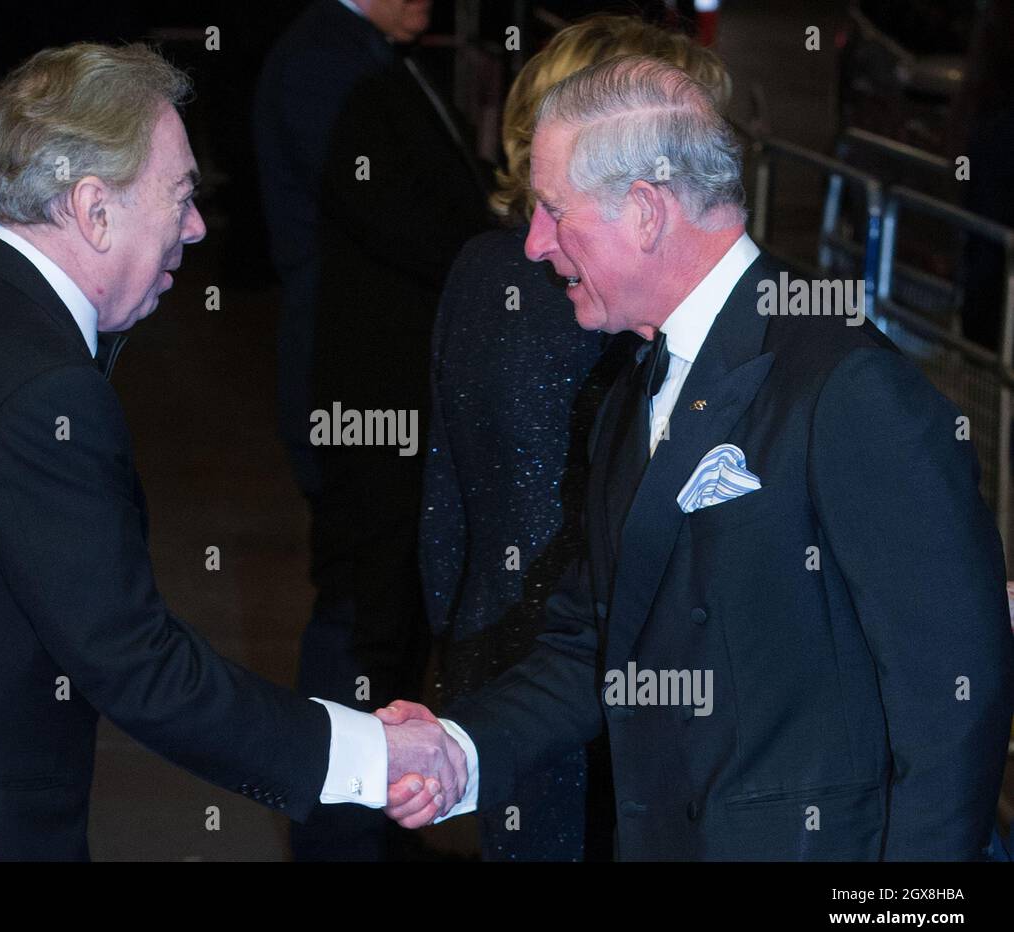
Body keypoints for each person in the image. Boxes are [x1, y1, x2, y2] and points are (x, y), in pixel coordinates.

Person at [0, 42, 463, 861]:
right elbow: (138, 665)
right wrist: (372, 755)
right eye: (180, 195)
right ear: (93, 208)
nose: (199, 224)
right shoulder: (44, 392)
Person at [383, 54, 1014, 858]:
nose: (536, 243)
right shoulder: (637, 383)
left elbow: (952, 701)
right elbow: (596, 642)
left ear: (645, 212)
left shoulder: (848, 387)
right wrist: (460, 751)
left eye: (551, 209)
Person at [423, 15, 732, 862]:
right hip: (613, 667)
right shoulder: (617, 295)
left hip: (495, 650)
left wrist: (455, 644)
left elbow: (444, 498)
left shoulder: (477, 272)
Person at [256, 0, 489, 860]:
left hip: (384, 388)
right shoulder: (324, 57)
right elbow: (391, 211)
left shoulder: (359, 54)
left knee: (390, 610)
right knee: (361, 610)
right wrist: (503, 256)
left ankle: (373, 825)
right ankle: (339, 839)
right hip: (354, 392)